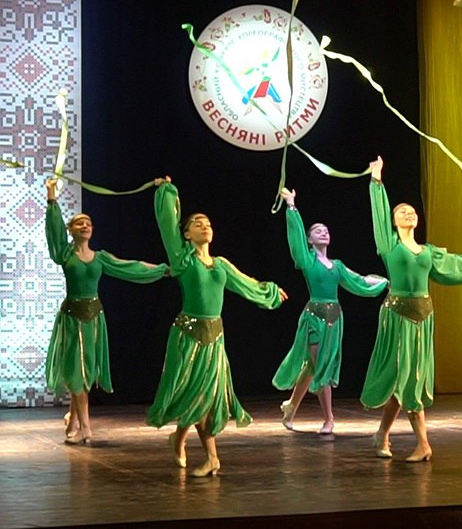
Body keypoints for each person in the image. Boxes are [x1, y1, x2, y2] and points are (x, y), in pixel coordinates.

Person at [146, 177, 288, 477]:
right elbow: (167, 224)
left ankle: (181, 440)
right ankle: (211, 457)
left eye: (208, 223)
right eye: (197, 224)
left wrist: (271, 293)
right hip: (188, 337)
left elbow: (246, 283)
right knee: (194, 396)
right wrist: (167, 191)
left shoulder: (221, 264)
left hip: (215, 339)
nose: (204, 226)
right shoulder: (183, 261)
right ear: (186, 234)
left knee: (205, 398)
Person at [362, 156, 462, 462]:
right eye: (401, 212)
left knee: (412, 380)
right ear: (393, 222)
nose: (408, 213)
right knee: (400, 377)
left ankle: (394, 437)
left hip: (423, 319)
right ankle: (408, 440)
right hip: (397, 317)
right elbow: (378, 214)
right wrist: (376, 179)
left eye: (412, 211)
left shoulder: (428, 252)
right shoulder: (389, 245)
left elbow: (452, 264)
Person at [44, 177, 168, 445]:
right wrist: (52, 197)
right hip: (71, 320)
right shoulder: (65, 254)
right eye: (80, 223)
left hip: (94, 321)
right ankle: (85, 428)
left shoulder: (100, 258)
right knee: (76, 374)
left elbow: (130, 266)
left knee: (84, 374)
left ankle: (73, 420)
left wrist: (162, 270)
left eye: (88, 223)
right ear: (71, 229)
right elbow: (54, 232)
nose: (85, 226)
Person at [274, 187, 388, 434]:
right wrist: (291, 206)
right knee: (322, 365)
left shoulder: (337, 266)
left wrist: (385, 283)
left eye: (325, 230)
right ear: (310, 240)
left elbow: (359, 280)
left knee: (313, 367)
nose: (323, 232)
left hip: (335, 319)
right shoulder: (307, 261)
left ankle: (291, 407)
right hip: (314, 318)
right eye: (317, 231)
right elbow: (295, 239)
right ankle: (329, 419)